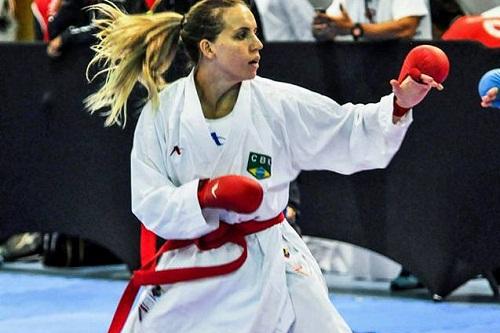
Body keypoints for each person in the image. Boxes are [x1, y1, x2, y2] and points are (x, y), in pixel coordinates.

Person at [84, 1, 446, 332]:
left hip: (270, 256)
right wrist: (203, 197)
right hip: (194, 258)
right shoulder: (164, 112)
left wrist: (398, 105)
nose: (257, 44)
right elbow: (148, 200)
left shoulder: (277, 103)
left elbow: (346, 129)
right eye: (242, 35)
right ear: (207, 48)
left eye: (255, 32)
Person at [313, 0, 432, 41]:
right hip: (369, 68)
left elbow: (405, 28)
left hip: (410, 71)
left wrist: (354, 29)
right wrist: (325, 31)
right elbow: (335, 24)